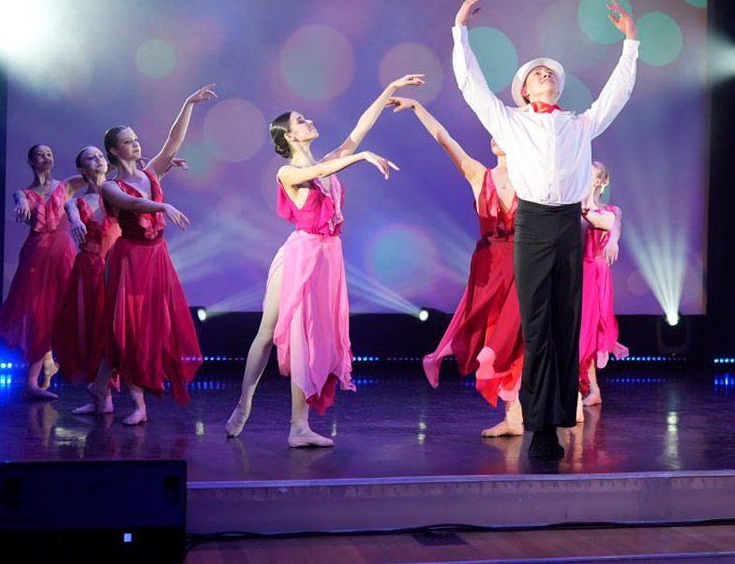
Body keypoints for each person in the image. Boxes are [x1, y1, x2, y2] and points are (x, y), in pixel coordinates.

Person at [452, 0, 639, 459]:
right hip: (533, 224)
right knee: (536, 328)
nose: (545, 75)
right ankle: (538, 428)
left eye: (550, 72)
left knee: (565, 326)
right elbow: (473, 89)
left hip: (569, 225)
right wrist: (460, 31)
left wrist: (630, 41)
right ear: (525, 91)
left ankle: (558, 417)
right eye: (537, 73)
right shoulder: (511, 122)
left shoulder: (579, 123)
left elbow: (616, 96)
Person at [225, 75, 420, 447]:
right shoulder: (287, 172)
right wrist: (361, 157)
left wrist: (390, 89)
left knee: (311, 338)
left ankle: (298, 426)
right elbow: (315, 172)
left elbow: (359, 129)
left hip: (328, 258)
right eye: (301, 121)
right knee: (269, 333)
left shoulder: (328, 163)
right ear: (289, 136)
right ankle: (245, 403)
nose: (309, 121)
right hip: (300, 256)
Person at [389, 97, 525, 437]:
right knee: (493, 337)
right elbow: (445, 139)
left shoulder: (533, 180)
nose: (495, 136)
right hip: (491, 269)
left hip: (526, 264)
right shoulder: (479, 175)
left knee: (522, 338)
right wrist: (418, 108)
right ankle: (513, 416)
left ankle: (556, 403)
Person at [86, 85, 217, 425]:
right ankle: (137, 404)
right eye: (127, 141)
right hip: (129, 262)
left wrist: (188, 104)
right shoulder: (110, 186)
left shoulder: (151, 173)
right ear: (114, 151)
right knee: (130, 330)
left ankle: (99, 388)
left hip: (156, 259)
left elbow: (173, 141)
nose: (135, 144)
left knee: (149, 328)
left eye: (136, 139)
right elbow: (132, 204)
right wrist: (163, 205)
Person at [0, 144, 78, 399]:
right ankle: (32, 381)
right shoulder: (24, 193)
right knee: (39, 312)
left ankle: (56, 364)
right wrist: (21, 202)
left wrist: (125, 164)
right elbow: (19, 198)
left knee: (65, 309)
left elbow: (98, 172)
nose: (46, 157)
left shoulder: (66, 185)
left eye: (49, 154)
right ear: (31, 161)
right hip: (37, 253)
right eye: (41, 154)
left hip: (63, 251)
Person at [51, 145, 122, 412]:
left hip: (116, 267)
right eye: (91, 158)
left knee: (115, 330)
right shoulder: (77, 202)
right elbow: (71, 210)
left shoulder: (119, 192)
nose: (98, 159)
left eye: (101, 156)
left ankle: (106, 392)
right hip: (90, 269)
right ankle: (102, 399)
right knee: (91, 329)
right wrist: (76, 220)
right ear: (81, 169)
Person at [578, 160, 629, 408]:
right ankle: (590, 389)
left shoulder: (610, 211)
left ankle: (592, 389)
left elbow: (613, 226)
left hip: (594, 273)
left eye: (590, 173)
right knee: (577, 330)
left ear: (600, 181)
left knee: (588, 330)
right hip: (575, 271)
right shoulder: (572, 206)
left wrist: (613, 241)